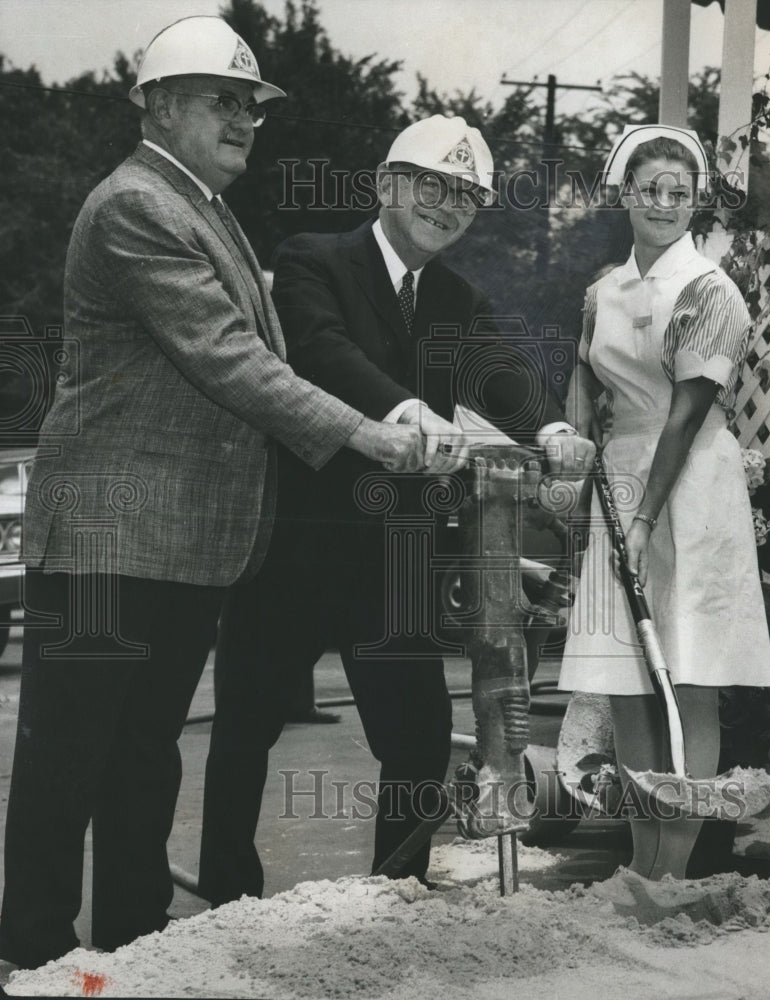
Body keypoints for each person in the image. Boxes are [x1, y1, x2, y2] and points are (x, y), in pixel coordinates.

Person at [0, 16, 425, 971]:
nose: (244, 121)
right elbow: (229, 357)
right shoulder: (136, 205)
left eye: (252, 106)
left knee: (144, 751)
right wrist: (364, 431)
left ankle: (131, 947)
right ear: (156, 106)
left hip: (179, 540)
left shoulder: (205, 209)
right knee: (71, 753)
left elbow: (261, 351)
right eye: (221, 100)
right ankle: (34, 954)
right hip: (109, 532)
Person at [198, 114, 596, 903]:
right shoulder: (314, 259)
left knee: (415, 739)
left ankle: (396, 897)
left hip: (396, 561)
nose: (448, 207)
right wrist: (408, 410)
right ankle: (226, 901)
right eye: (432, 187)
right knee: (246, 728)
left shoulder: (456, 298)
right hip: (296, 548)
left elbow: (497, 368)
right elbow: (322, 350)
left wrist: (551, 428)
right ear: (387, 184)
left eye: (466, 197)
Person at [559, 124, 770, 880]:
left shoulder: (711, 291)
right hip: (619, 482)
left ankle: (671, 877)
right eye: (649, 188)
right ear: (626, 194)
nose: (662, 202)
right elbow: (584, 380)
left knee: (688, 681)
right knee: (628, 686)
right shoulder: (602, 292)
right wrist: (575, 460)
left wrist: (645, 519)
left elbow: (685, 417)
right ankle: (640, 866)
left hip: (689, 487)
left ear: (695, 202)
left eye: (678, 192)